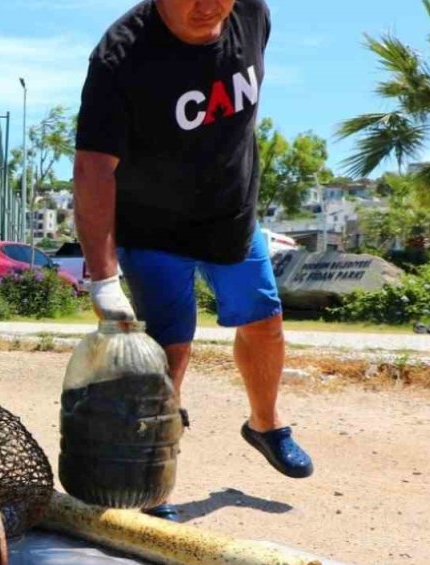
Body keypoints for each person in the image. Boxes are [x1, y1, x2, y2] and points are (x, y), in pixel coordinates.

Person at [72, 0, 313, 517]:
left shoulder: (252, 15)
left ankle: (264, 425)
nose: (209, 7)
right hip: (153, 229)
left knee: (265, 323)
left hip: (230, 216)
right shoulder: (121, 57)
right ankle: (154, 480)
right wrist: (102, 276)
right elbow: (94, 170)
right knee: (171, 351)